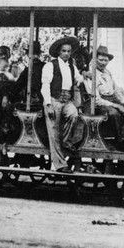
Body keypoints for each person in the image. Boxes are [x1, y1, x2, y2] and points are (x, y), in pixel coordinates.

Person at [82, 46, 124, 151]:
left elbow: (115, 90)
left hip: (112, 102)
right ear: (95, 60)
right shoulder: (89, 74)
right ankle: (119, 141)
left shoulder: (107, 72)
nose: (103, 63)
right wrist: (117, 106)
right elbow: (96, 99)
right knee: (114, 114)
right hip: (99, 105)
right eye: (100, 60)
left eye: (105, 60)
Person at [41, 36, 84, 173]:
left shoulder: (72, 67)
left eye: (69, 51)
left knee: (73, 114)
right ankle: (60, 165)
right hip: (54, 99)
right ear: (59, 52)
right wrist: (48, 104)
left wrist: (82, 79)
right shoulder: (50, 65)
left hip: (67, 99)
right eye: (64, 51)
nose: (67, 53)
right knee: (53, 131)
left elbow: (79, 78)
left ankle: (66, 141)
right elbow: (45, 85)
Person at [7, 41, 45, 106]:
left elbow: (18, 86)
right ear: (39, 55)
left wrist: (9, 96)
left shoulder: (28, 69)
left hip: (33, 101)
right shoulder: (45, 66)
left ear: (28, 54)